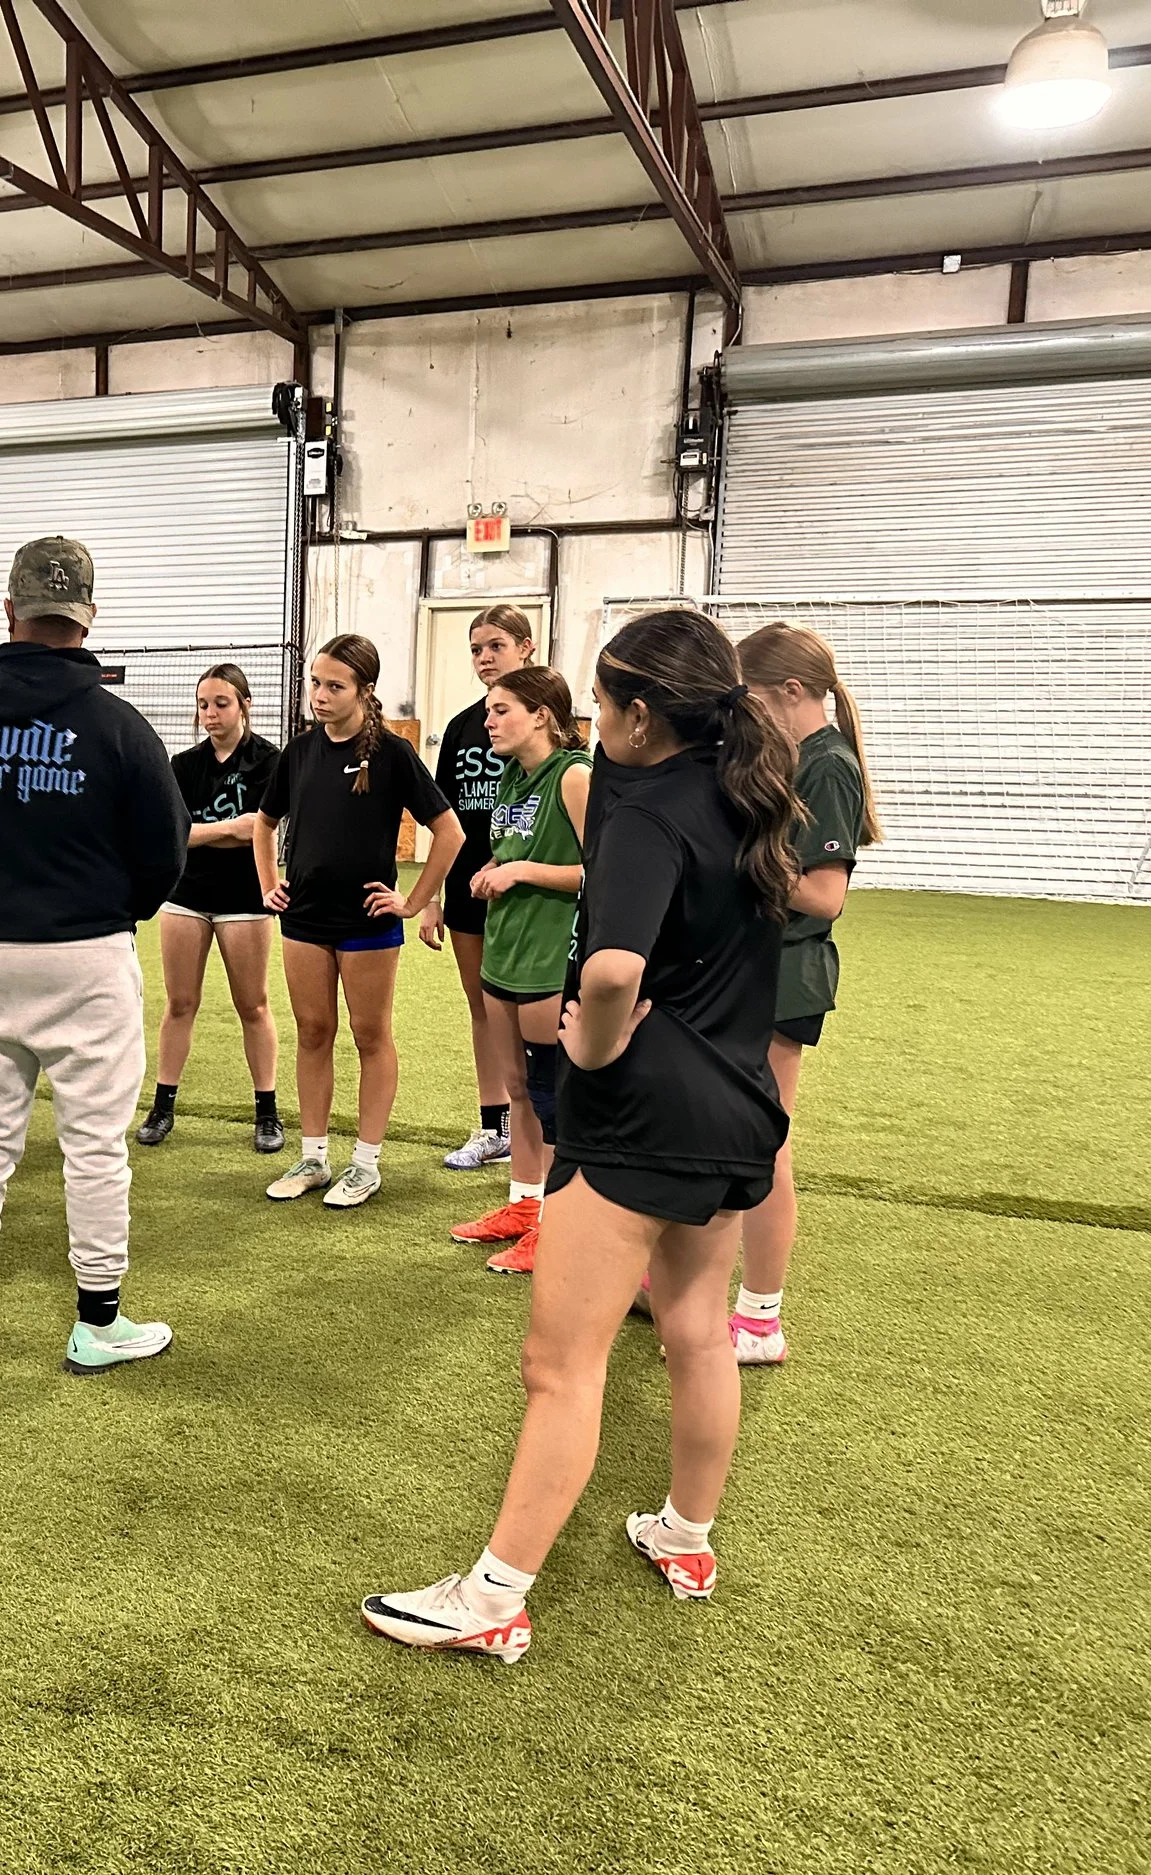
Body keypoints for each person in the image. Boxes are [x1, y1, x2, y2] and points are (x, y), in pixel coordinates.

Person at [360, 608, 799, 1662]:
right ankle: (684, 1535)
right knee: (698, 1337)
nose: (594, 720)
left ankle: (493, 1595)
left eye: (603, 702)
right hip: (739, 1114)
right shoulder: (750, 796)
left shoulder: (644, 809)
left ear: (642, 716)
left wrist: (594, 1054)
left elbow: (609, 971)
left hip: (643, 1121)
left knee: (560, 1365)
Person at [0, 537, 190, 1374]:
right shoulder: (120, 724)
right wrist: (111, 913)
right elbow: (165, 853)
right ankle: (97, 1320)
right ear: (89, 618)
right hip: (86, 952)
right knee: (94, 1142)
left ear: (8, 610)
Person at [255, 634, 464, 1210]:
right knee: (313, 1031)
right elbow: (263, 824)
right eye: (315, 683)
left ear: (365, 692)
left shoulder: (394, 755)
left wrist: (413, 901)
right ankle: (314, 1157)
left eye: (334, 686)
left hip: (368, 923)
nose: (319, 695)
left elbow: (449, 833)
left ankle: (366, 1163)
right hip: (303, 919)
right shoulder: (297, 752)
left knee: (371, 1035)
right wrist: (269, 882)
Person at [730, 623, 881, 1366]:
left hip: (787, 974)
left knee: (766, 1147)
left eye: (753, 698)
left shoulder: (830, 765)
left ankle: (761, 1319)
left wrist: (735, 864)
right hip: (754, 965)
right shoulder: (792, 756)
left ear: (790, 692)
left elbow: (824, 894)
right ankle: (685, 1289)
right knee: (731, 1136)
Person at [446, 667, 592, 1274]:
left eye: (501, 710)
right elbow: (511, 848)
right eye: (488, 711)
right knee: (515, 1091)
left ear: (541, 715)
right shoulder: (513, 776)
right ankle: (523, 1206)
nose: (488, 722)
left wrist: (522, 873)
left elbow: (601, 873)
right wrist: (490, 869)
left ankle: (559, 1227)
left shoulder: (575, 777)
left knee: (549, 1096)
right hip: (504, 948)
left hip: (548, 958)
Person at [139, 664, 284, 1154]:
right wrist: (229, 830)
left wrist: (212, 832)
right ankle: (162, 1107)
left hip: (246, 898)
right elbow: (176, 834)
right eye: (203, 704)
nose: (210, 714)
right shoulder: (183, 765)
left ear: (245, 704)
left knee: (254, 1005)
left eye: (221, 703)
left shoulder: (270, 762)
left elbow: (262, 830)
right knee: (180, 1004)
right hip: (186, 897)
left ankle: (267, 1113)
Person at [424, 606, 538, 1173]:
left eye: (495, 645)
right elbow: (443, 816)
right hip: (469, 882)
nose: (484, 658)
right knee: (484, 1008)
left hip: (531, 891)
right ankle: (494, 1127)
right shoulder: (464, 726)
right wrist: (436, 898)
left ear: (527, 646)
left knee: (535, 1010)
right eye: (476, 649)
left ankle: (537, 1127)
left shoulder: (548, 727)